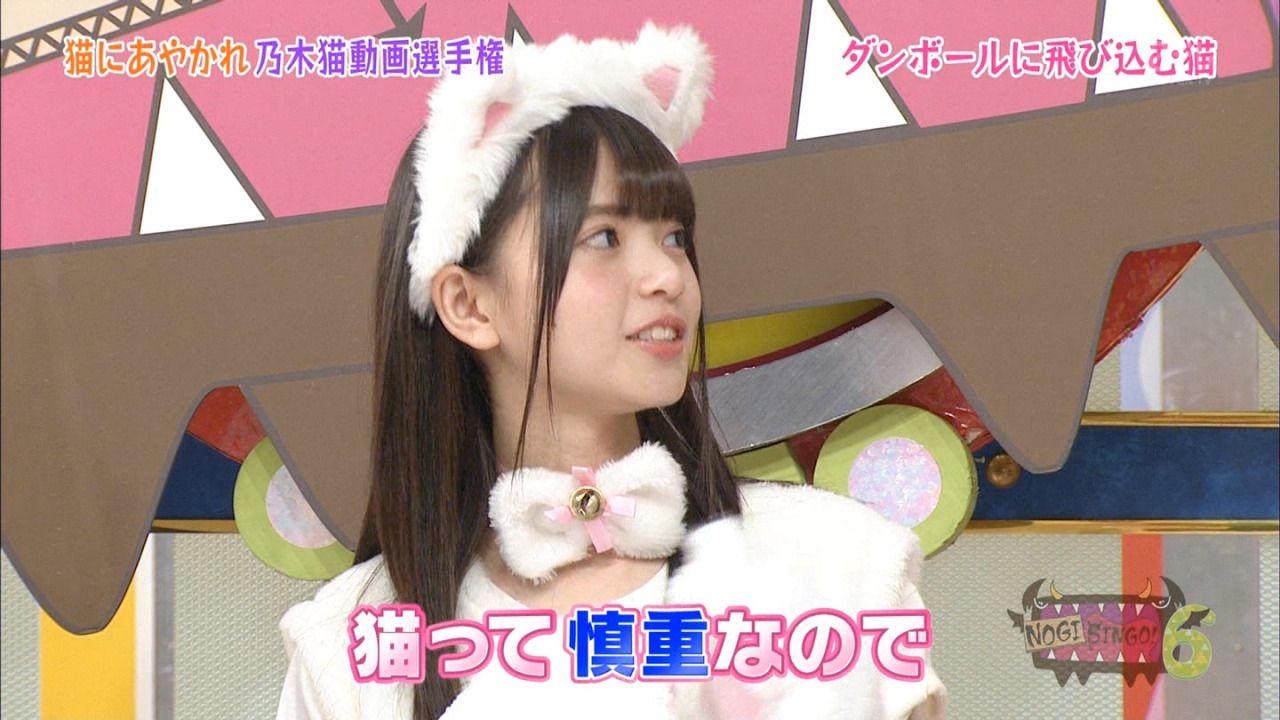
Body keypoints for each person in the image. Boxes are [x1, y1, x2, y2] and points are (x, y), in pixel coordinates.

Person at [277, 23, 946, 719]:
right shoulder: (351, 643)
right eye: (604, 237)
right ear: (468, 305)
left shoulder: (836, 562)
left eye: (674, 236)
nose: (668, 276)